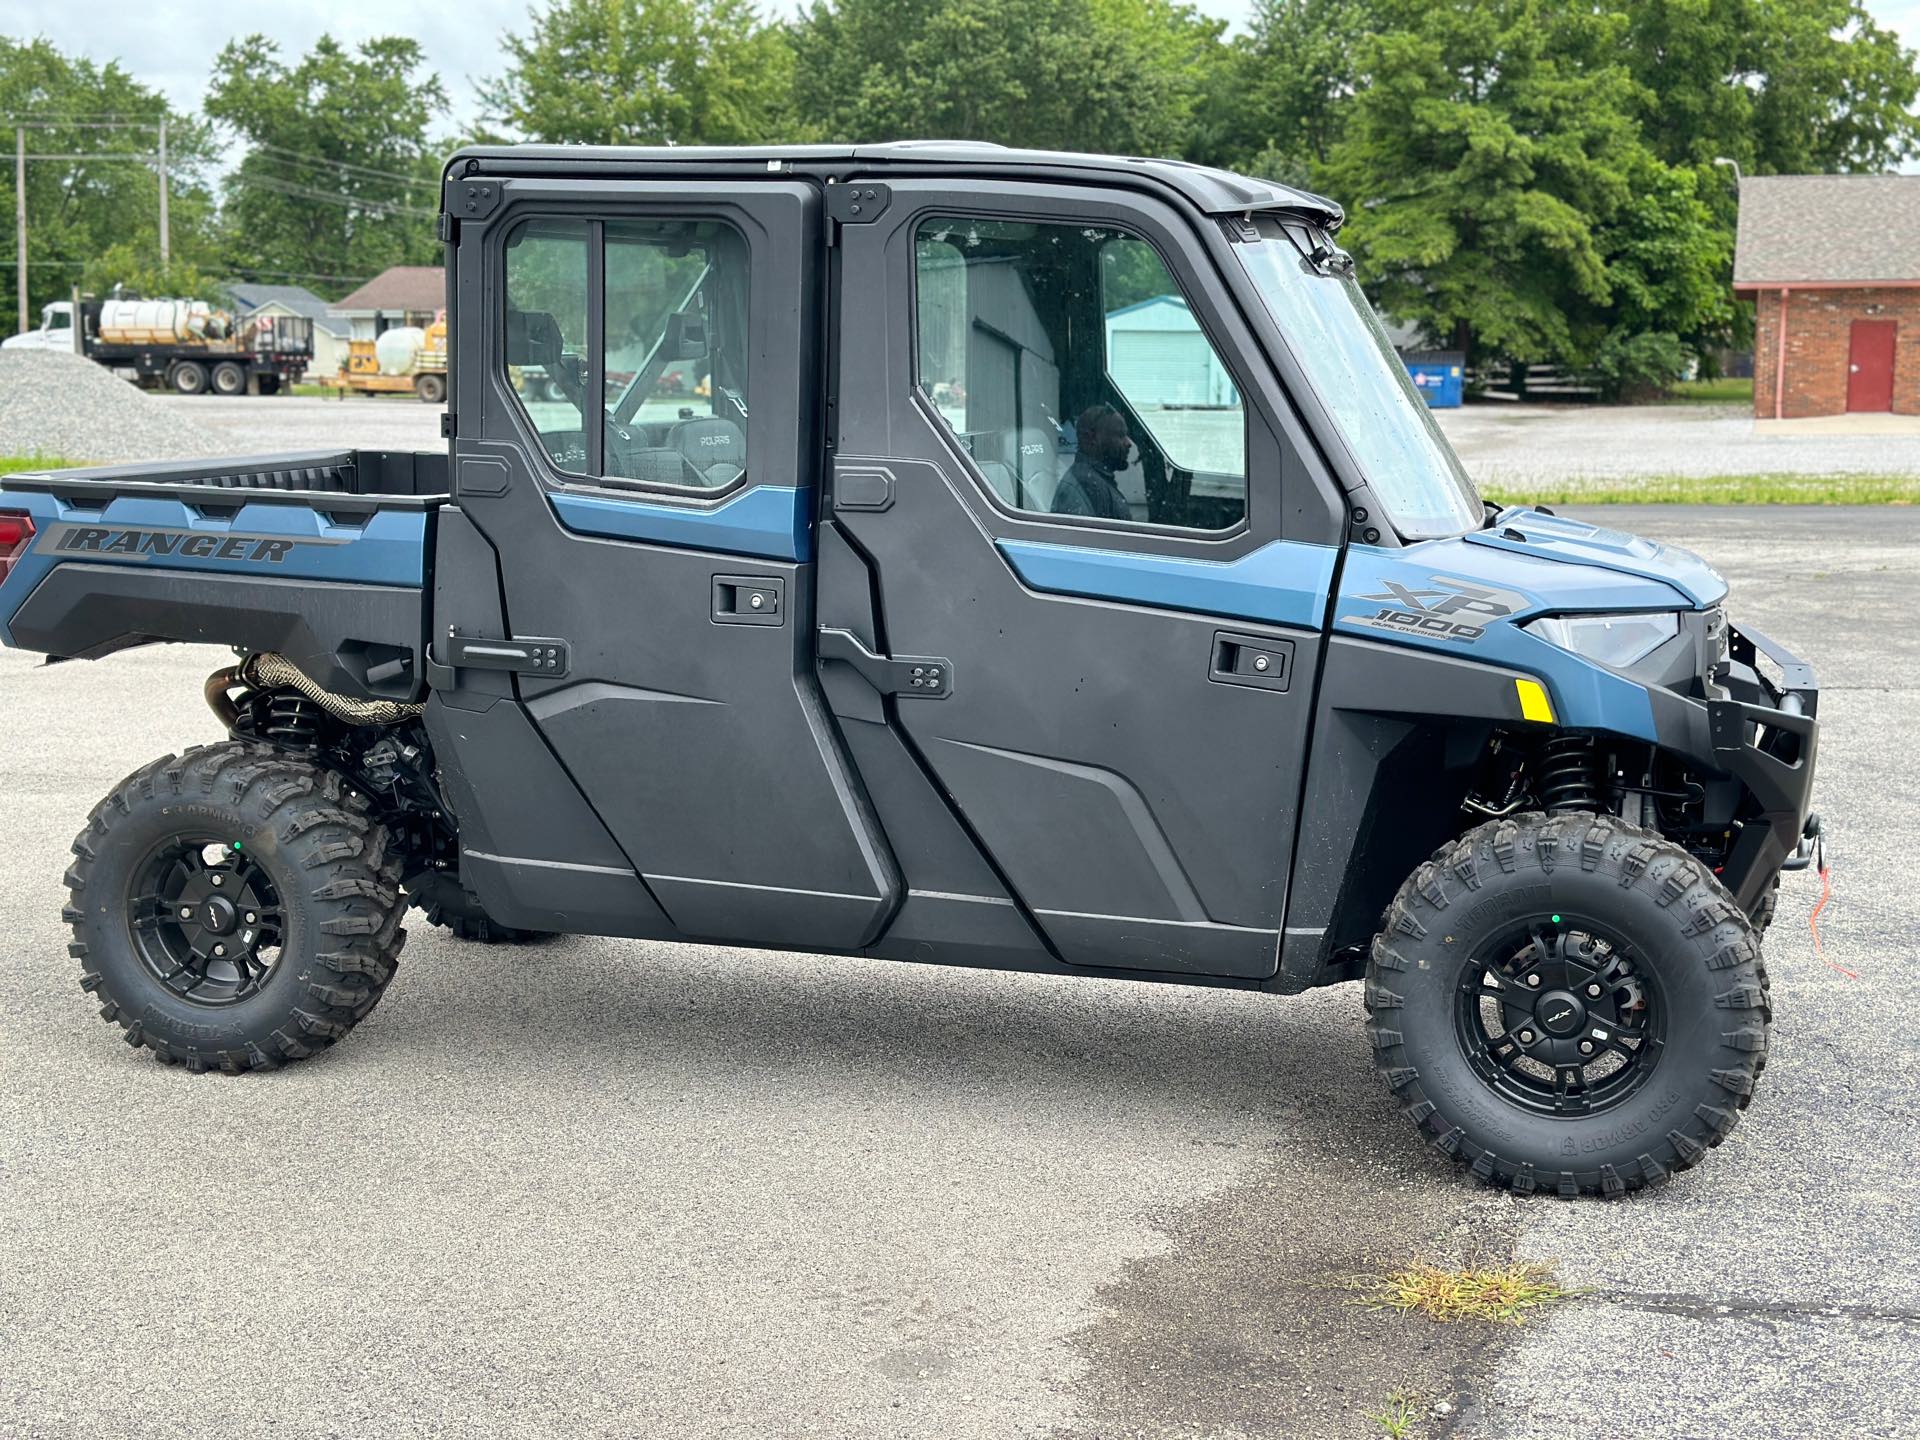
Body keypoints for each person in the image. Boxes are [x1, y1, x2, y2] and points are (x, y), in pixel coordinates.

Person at [1051, 404, 1136, 521]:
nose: (1129, 443)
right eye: (1120, 435)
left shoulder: (1095, 480)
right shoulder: (1086, 486)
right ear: (1091, 438)